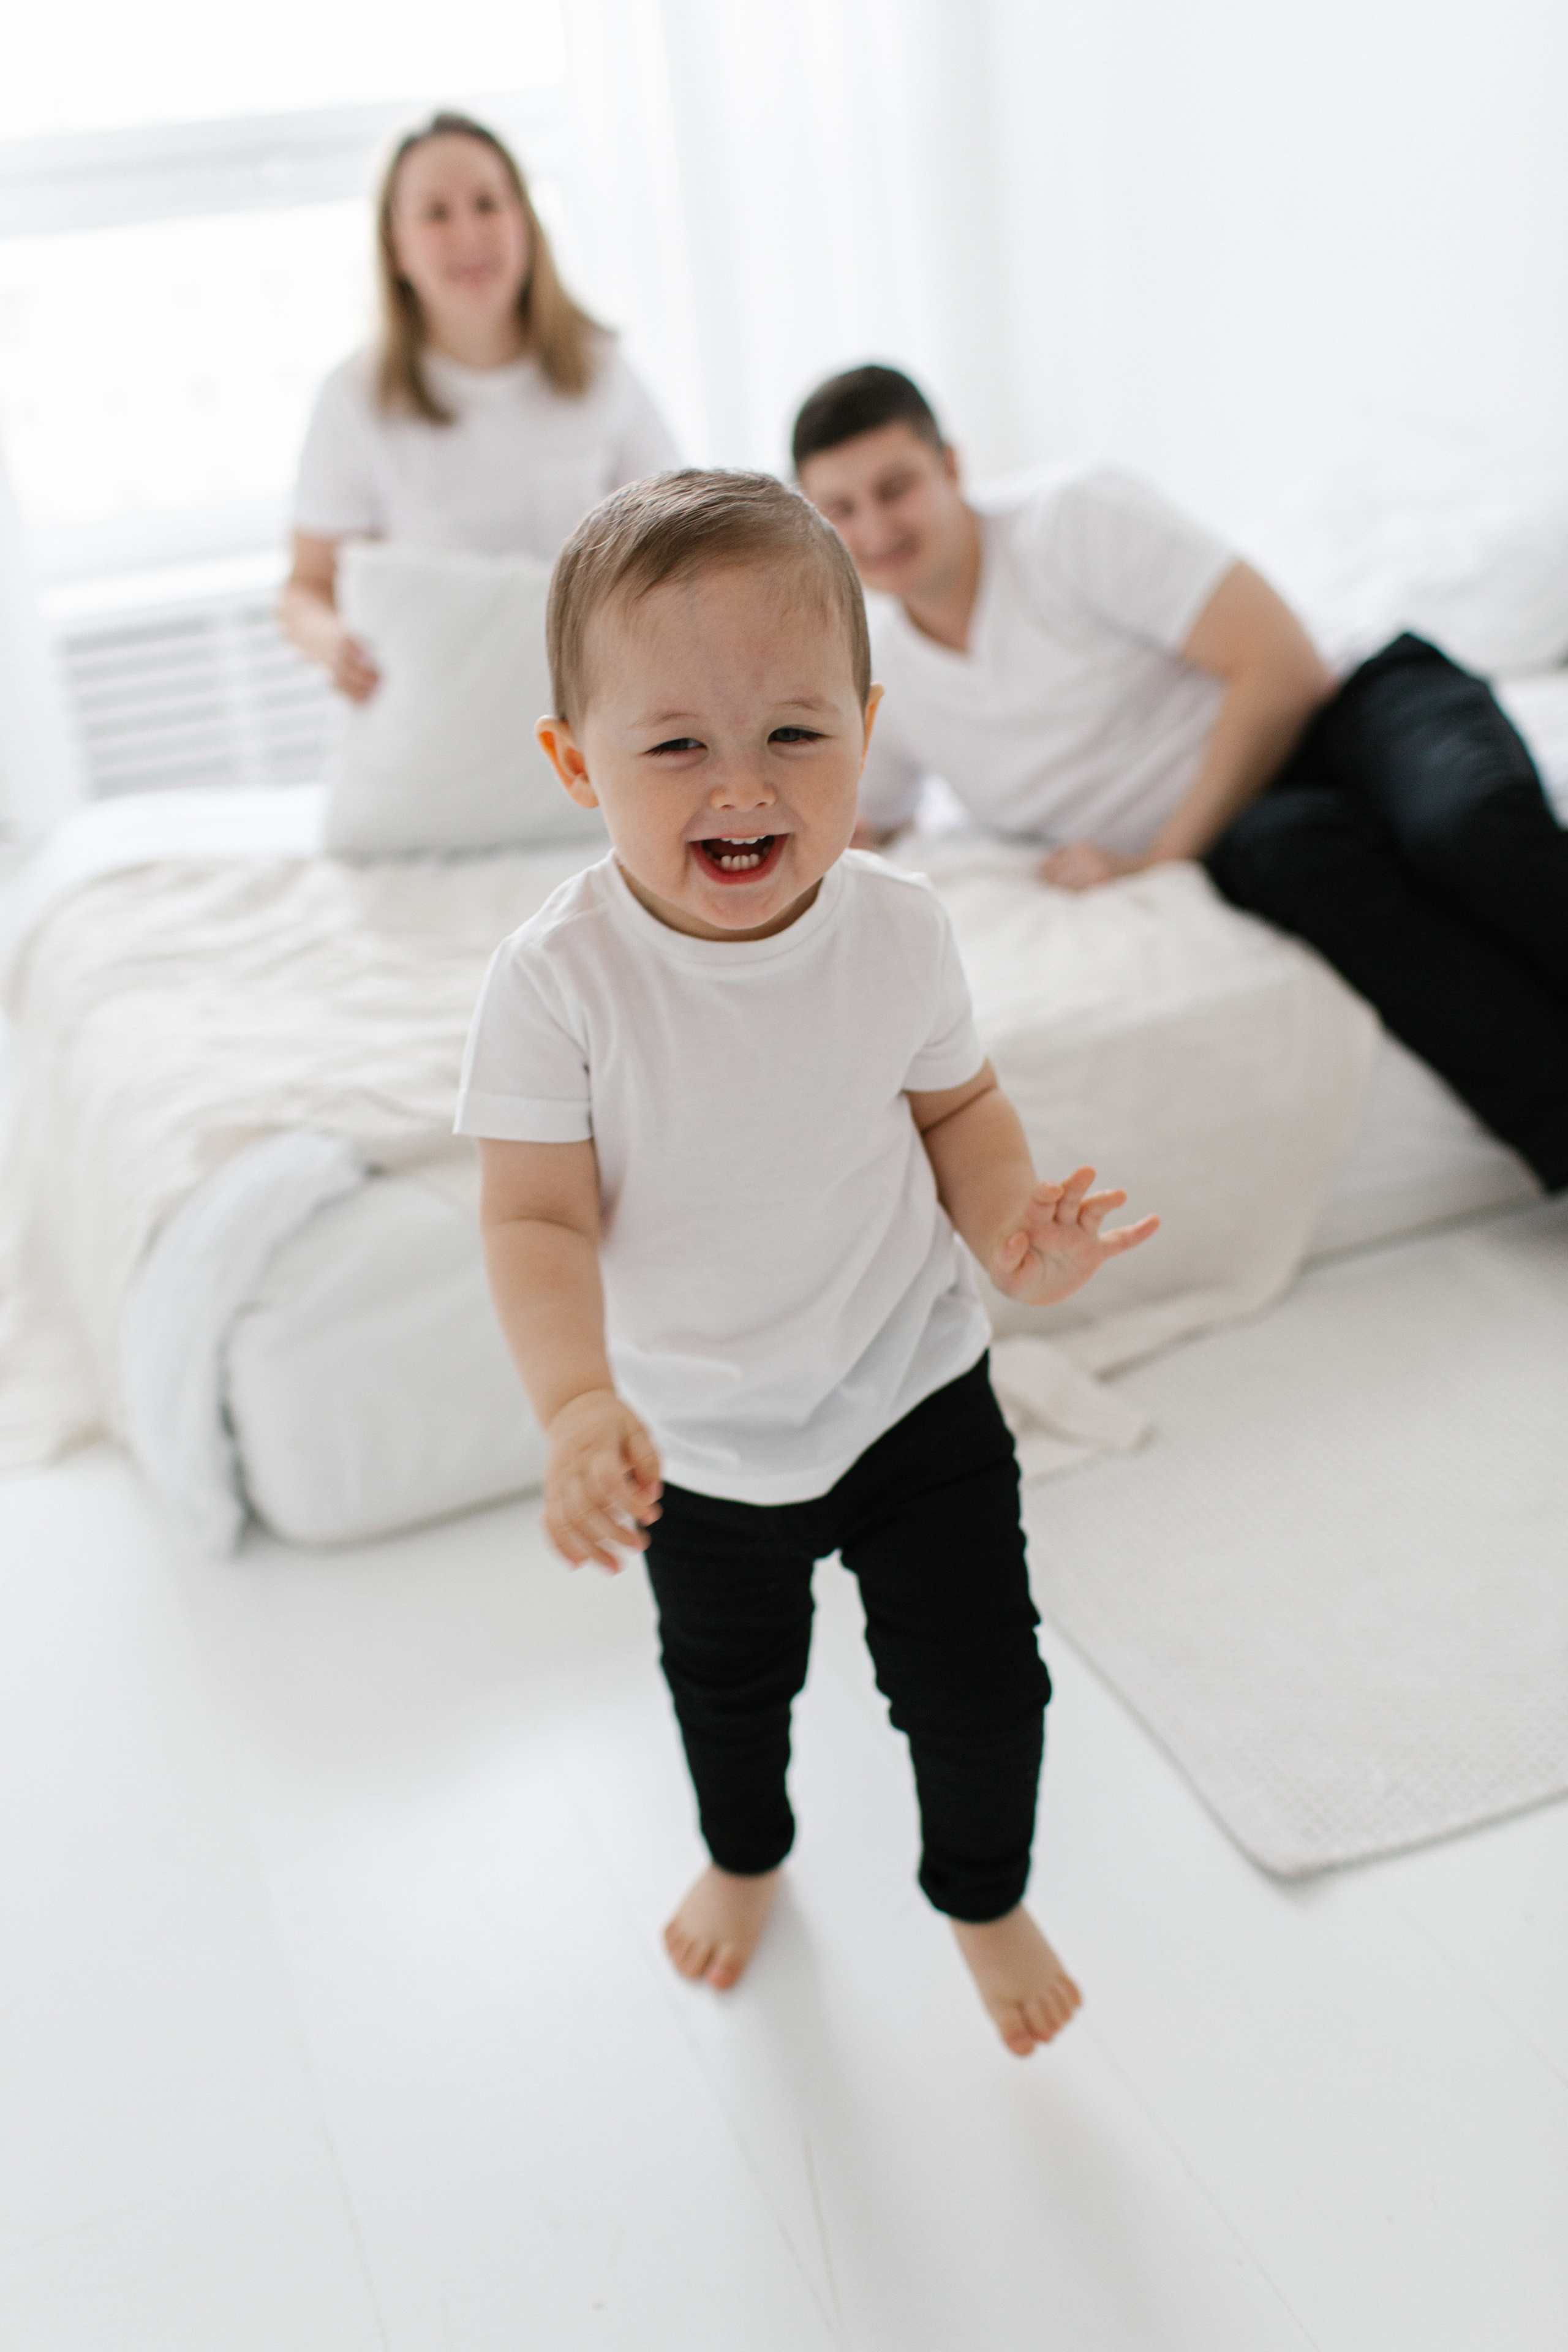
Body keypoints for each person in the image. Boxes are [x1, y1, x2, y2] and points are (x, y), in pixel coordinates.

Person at [455, 470, 1159, 2055]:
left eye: (793, 732)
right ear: (577, 762)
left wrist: (1010, 1224)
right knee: (728, 1689)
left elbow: (960, 1109)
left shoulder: (900, 928)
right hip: (694, 1445)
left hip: (913, 1387)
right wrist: (577, 1405)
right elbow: (534, 1219)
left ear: (865, 721)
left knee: (985, 1692)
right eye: (677, 744)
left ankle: (982, 1895)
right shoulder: (559, 985)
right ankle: (744, 1854)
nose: (743, 787)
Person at [793, 365, 1568, 1195]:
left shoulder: (1070, 519)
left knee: (1469, 826)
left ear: (951, 467)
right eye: (841, 509)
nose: (874, 527)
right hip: (1261, 814)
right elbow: (865, 819)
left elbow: (1284, 665)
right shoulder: (878, 673)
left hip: (1355, 708)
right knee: (1297, 865)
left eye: (895, 488)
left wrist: (1164, 857)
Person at [280, 111, 676, 702]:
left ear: (524, 221)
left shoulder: (602, 369)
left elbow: (678, 542)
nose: (469, 234)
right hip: (438, 717)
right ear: (397, 245)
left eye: (488, 204)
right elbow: (306, 590)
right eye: (436, 214)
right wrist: (331, 643)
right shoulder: (354, 400)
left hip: (598, 705)